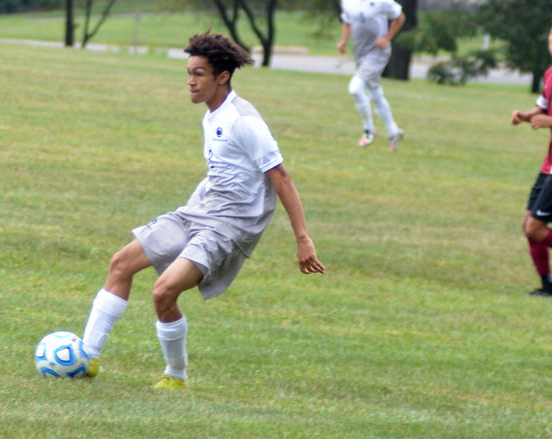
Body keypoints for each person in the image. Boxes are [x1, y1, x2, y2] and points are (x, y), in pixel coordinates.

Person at [80, 31, 325, 389]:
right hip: (198, 213)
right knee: (121, 263)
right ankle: (85, 359)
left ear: (222, 76)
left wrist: (303, 238)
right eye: (189, 73)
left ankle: (175, 377)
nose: (190, 82)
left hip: (226, 227)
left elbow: (282, 177)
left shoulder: (244, 121)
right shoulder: (211, 116)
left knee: (164, 291)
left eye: (198, 74)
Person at [511, 12, 552, 298]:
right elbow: (544, 107)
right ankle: (547, 288)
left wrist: (551, 122)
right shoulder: (551, 72)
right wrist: (526, 116)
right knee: (528, 224)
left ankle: (548, 287)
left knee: (536, 227)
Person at [337, 0, 406, 151]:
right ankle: (393, 131)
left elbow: (400, 17)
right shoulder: (348, 2)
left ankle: (369, 129)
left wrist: (387, 38)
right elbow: (347, 21)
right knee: (375, 93)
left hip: (378, 52)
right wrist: (343, 41)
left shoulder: (382, 1)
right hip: (360, 52)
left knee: (355, 88)